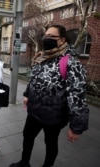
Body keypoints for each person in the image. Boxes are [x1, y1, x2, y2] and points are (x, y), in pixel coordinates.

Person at [9, 25, 89, 167]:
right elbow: (34, 78)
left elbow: (77, 97)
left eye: (51, 36)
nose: (46, 38)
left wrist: (76, 127)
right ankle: (24, 162)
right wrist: (27, 94)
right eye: (45, 35)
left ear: (62, 40)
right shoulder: (42, 57)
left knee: (50, 143)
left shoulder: (72, 63)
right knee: (27, 136)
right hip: (34, 111)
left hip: (54, 116)